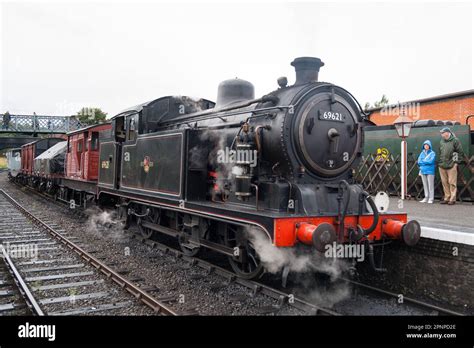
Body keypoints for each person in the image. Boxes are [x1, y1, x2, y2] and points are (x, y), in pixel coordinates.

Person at [438, 127, 465, 205]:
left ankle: (452, 199)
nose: (442, 134)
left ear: (447, 133)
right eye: (441, 133)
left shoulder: (455, 140)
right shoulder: (441, 141)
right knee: (444, 182)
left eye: (443, 133)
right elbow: (440, 151)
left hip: (451, 165)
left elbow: (460, 152)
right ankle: (447, 198)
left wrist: (456, 163)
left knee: (452, 182)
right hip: (442, 165)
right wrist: (440, 162)